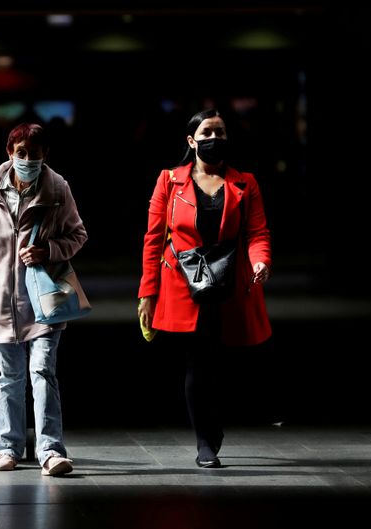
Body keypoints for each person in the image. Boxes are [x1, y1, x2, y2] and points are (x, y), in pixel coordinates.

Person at [137, 108, 272, 468]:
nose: (215, 139)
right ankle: (204, 442)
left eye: (221, 132)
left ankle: (214, 428)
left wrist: (261, 261)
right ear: (191, 140)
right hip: (184, 283)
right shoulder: (169, 180)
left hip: (228, 282)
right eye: (208, 132)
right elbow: (153, 239)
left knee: (221, 363)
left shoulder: (246, 183)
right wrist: (147, 294)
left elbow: (257, 232)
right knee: (198, 361)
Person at [0, 122, 87, 476]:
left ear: (44, 155)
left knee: (42, 371)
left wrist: (48, 249)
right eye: (22, 154)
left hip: (45, 297)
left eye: (35, 155)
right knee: (9, 377)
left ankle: (50, 450)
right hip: (1, 299)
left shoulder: (58, 188)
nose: (28, 161)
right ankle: (8, 448)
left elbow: (78, 233)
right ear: (10, 152)